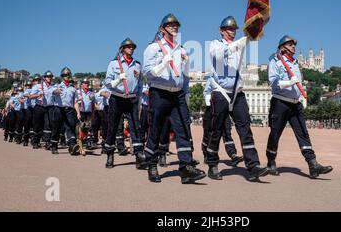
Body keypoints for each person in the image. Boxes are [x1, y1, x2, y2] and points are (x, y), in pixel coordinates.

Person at [143, 13, 205, 183]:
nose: (174, 27)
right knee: (156, 128)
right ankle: (151, 164)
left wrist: (185, 94)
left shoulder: (181, 50)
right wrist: (163, 63)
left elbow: (184, 76)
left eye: (176, 25)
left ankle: (186, 168)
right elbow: (147, 72)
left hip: (177, 94)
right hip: (159, 92)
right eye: (170, 25)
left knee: (183, 129)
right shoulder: (153, 48)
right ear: (162, 29)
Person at [206, 16, 268, 181]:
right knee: (217, 130)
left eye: (234, 29)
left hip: (238, 93)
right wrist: (240, 43)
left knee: (245, 129)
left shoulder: (240, 47)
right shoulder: (215, 45)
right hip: (221, 92)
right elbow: (219, 56)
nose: (232, 32)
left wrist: (254, 28)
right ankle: (212, 164)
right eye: (229, 29)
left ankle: (253, 165)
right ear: (221, 31)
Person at [266, 35, 333, 179]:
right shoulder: (275, 61)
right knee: (275, 134)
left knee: (303, 133)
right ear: (283, 47)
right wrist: (289, 82)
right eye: (290, 45)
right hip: (280, 102)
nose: (293, 47)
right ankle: (271, 162)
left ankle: (312, 164)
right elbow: (273, 82)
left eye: (293, 45)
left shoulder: (296, 63)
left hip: (296, 104)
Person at [103, 38, 145, 169]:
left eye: (132, 47)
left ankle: (139, 156)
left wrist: (137, 98)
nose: (131, 48)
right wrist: (118, 80)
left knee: (135, 128)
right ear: (122, 49)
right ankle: (110, 154)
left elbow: (140, 84)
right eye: (128, 47)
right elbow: (108, 83)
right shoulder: (114, 64)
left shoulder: (137, 65)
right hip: (117, 98)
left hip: (131, 99)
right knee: (113, 127)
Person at [202, 78, 243, 166]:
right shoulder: (211, 79)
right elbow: (206, 92)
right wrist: (209, 100)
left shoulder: (225, 83)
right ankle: (207, 155)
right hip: (211, 109)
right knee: (208, 133)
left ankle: (233, 155)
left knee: (227, 133)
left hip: (223, 109)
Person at [51, 67, 82, 155]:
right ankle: (54, 146)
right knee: (57, 128)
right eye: (65, 75)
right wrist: (56, 91)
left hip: (69, 110)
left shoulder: (73, 88)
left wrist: (78, 113)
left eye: (68, 75)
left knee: (70, 127)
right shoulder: (57, 85)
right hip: (59, 109)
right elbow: (53, 92)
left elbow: (75, 101)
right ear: (62, 76)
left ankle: (72, 146)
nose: (67, 76)